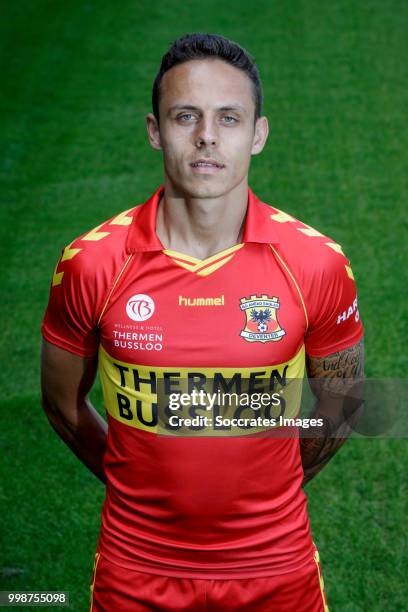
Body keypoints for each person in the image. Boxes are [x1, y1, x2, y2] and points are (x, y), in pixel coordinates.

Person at [41, 33, 364, 611]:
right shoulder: (91, 264)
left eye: (229, 118)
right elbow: (64, 406)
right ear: (153, 129)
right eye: (185, 116)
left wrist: (275, 490)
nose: (207, 136)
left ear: (258, 135)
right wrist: (131, 486)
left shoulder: (316, 263)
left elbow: (341, 402)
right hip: (135, 567)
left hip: (276, 565)